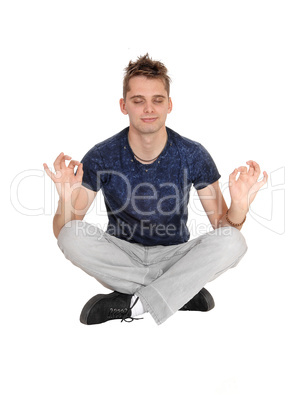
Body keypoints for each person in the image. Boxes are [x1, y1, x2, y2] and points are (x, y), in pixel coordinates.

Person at [43, 54, 268, 326]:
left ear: (169, 105)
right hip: (121, 256)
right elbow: (64, 231)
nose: (148, 108)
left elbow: (223, 228)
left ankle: (135, 304)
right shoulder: (102, 155)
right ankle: (177, 292)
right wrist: (66, 199)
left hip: (174, 256)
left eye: (157, 100)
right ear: (124, 105)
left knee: (234, 241)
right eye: (138, 101)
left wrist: (240, 206)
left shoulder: (192, 154)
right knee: (70, 235)